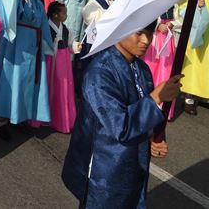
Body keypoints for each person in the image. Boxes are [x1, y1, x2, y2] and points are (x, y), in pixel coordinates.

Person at [61, 23, 182, 208]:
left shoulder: (141, 68)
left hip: (134, 164)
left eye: (149, 35)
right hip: (104, 169)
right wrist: (156, 96)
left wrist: (155, 137)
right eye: (139, 33)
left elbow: (143, 110)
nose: (145, 41)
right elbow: (120, 126)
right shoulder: (99, 72)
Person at [0, 0, 54, 139]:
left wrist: (47, 45)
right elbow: (4, 0)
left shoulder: (37, 2)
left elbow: (43, 26)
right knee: (8, 81)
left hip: (33, 48)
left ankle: (20, 117)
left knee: (26, 82)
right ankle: (0, 122)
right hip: (13, 46)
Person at [180, 0, 209, 115]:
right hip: (202, 30)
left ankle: (208, 98)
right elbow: (184, 3)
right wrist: (200, 6)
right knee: (195, 67)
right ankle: (189, 98)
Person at [45, 1, 79, 133]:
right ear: (55, 15)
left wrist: (76, 46)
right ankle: (48, 116)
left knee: (63, 87)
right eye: (63, 13)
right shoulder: (47, 27)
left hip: (64, 61)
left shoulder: (65, 29)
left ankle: (61, 117)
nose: (66, 15)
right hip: (51, 61)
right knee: (51, 86)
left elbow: (70, 44)